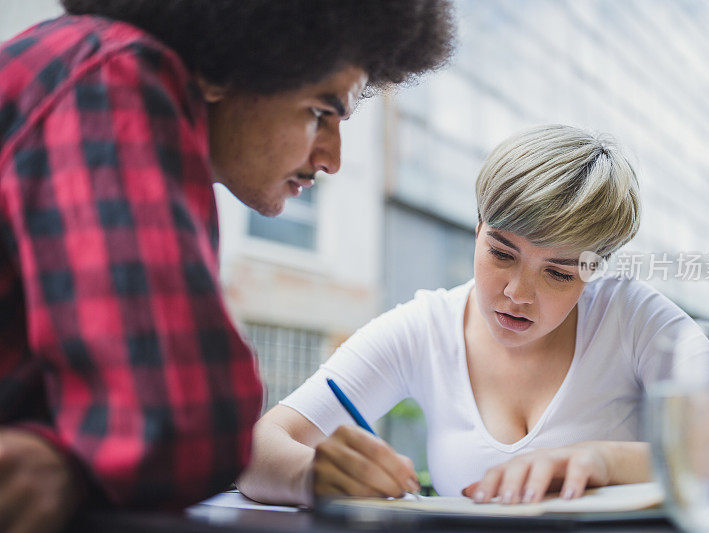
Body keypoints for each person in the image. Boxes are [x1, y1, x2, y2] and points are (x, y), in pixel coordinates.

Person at [0, 1, 455, 531]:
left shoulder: (82, 64)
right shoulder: (113, 71)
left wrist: (63, 461)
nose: (332, 157)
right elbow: (186, 420)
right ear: (228, 65)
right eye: (320, 113)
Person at [237, 124, 709, 506]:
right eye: (501, 253)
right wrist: (314, 476)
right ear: (478, 228)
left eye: (559, 274)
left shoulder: (632, 317)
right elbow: (260, 447)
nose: (518, 293)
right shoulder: (424, 329)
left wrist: (606, 461)